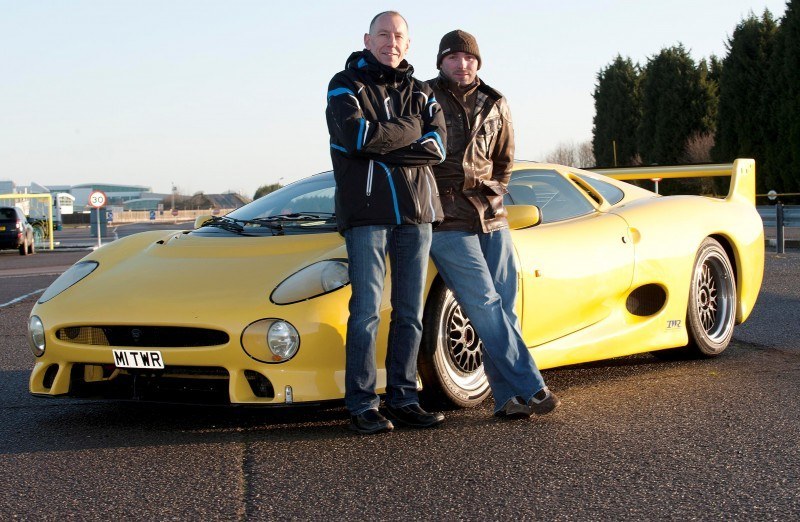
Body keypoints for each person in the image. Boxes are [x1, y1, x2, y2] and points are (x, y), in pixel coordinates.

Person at [427, 30, 560, 419]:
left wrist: (495, 194)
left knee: (504, 308)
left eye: (468, 58)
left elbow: (504, 160)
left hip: (491, 216)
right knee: (484, 303)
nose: (461, 64)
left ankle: (506, 398)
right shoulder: (424, 97)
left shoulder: (496, 102)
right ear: (441, 62)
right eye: (453, 57)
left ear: (478, 62)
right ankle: (532, 385)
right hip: (446, 219)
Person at [326, 11, 447, 434]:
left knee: (410, 312)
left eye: (398, 36)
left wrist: (383, 142)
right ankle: (362, 403)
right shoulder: (344, 85)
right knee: (365, 312)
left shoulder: (422, 90)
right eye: (382, 34)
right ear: (367, 38)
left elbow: (436, 149)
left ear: (408, 44)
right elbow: (355, 139)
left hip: (417, 215)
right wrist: (411, 128)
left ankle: (403, 398)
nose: (390, 41)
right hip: (367, 216)